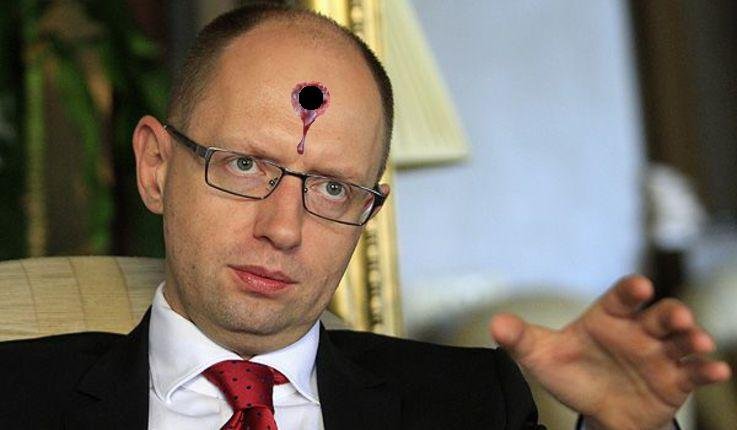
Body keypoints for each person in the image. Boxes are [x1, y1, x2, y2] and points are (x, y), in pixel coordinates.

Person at [0, 4, 730, 429]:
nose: (284, 228)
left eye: (332, 188)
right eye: (245, 166)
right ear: (156, 167)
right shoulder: (17, 394)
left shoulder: (473, 404)